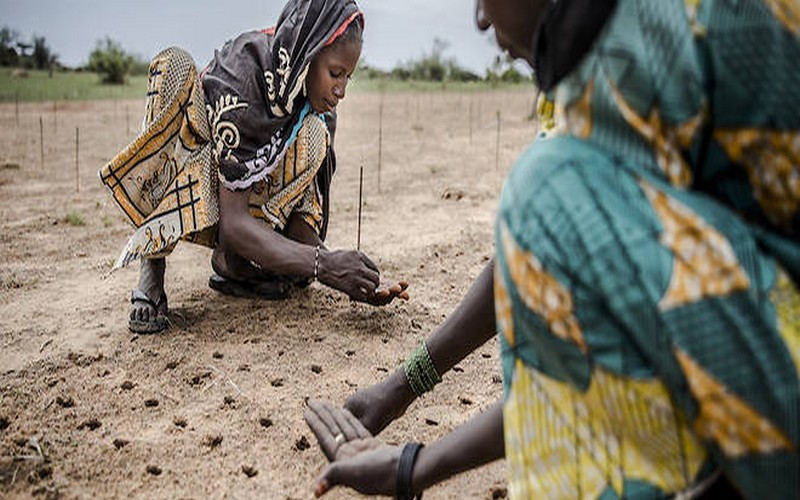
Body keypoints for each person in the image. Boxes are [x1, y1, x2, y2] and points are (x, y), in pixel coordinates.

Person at [304, 0, 800, 498]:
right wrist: (407, 425)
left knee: (544, 187)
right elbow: (555, 309)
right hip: (768, 351)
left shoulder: (640, 52)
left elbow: (550, 257)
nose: (480, 19)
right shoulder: (604, 52)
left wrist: (415, 459)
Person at [99, 0, 408, 334]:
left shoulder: (311, 109)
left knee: (318, 132)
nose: (341, 90)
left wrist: (353, 275)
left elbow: (299, 224)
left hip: (241, 198)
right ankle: (152, 262)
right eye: (335, 73)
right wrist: (325, 266)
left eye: (348, 77)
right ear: (307, 54)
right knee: (173, 66)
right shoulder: (244, 81)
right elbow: (234, 222)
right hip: (197, 172)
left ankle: (232, 263)